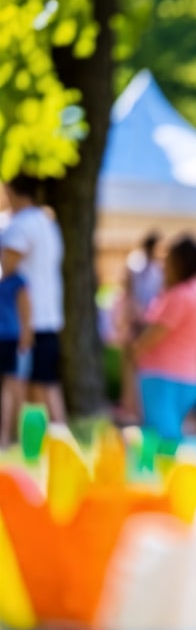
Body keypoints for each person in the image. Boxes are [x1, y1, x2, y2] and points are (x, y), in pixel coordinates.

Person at [127, 235, 196, 448]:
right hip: (190, 375)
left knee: (164, 441)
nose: (163, 265)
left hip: (164, 376)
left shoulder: (181, 294)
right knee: (165, 436)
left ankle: (167, 481)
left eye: (167, 260)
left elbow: (152, 336)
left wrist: (133, 351)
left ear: (181, 262)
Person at [0, 175, 65, 425]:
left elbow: (7, 269)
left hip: (24, 320)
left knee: (28, 385)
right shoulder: (47, 222)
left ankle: (47, 439)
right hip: (47, 316)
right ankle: (54, 439)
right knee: (45, 385)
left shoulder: (21, 225)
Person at [117, 232, 163, 424]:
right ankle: (132, 407)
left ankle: (132, 407)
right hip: (144, 321)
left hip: (141, 320)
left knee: (134, 367)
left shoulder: (139, 264)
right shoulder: (149, 266)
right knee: (136, 366)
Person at [0, 267, 29, 448]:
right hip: (7, 337)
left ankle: (7, 437)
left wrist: (26, 335)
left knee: (10, 387)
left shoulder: (17, 280)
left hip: (9, 338)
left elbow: (25, 307)